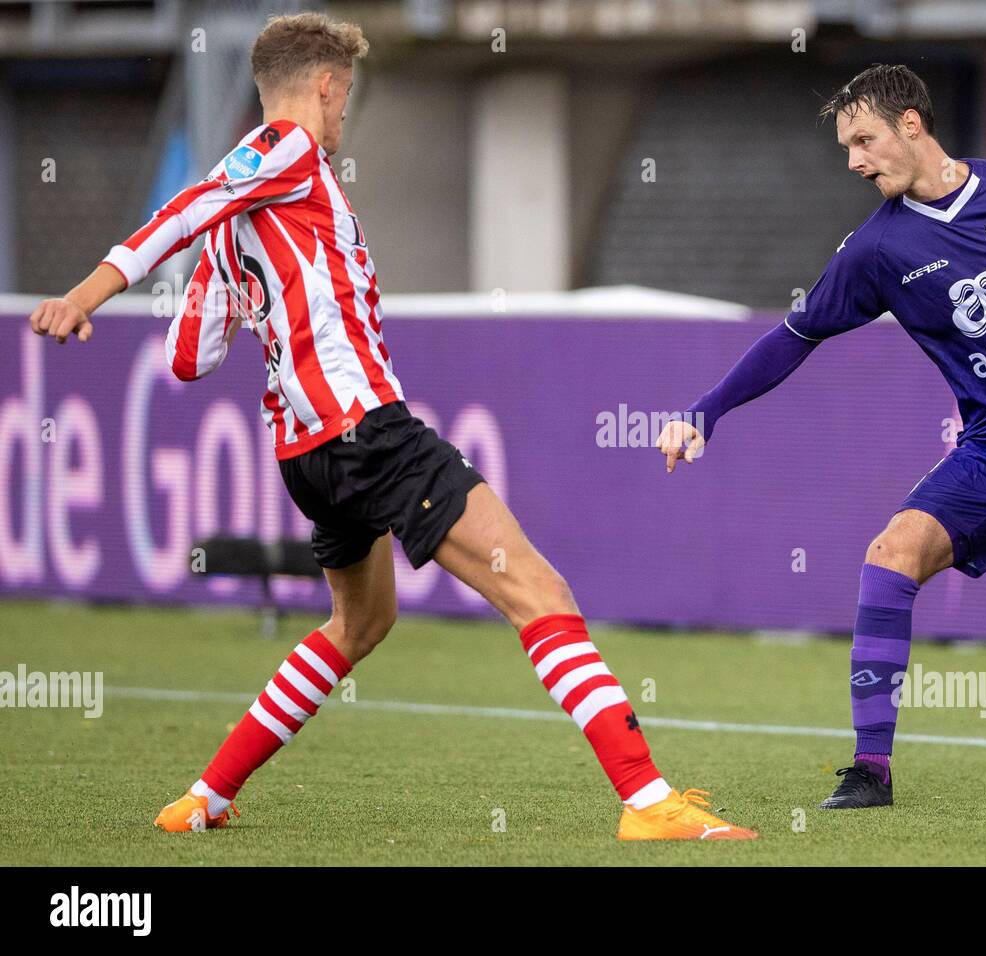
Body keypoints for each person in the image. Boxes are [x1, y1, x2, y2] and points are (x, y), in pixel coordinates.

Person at [29, 12, 754, 842]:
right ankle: (646, 800)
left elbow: (189, 359)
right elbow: (186, 207)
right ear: (328, 88)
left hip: (305, 457)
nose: (343, 123)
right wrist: (87, 293)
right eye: (345, 102)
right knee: (539, 592)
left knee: (360, 623)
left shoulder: (243, 224)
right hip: (366, 432)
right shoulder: (286, 153)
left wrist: (219, 272)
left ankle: (204, 797)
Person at [656, 63, 986, 811]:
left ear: (911, 125)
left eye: (863, 139)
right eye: (847, 146)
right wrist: (705, 411)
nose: (853, 160)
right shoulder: (876, 252)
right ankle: (871, 771)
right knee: (890, 557)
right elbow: (796, 335)